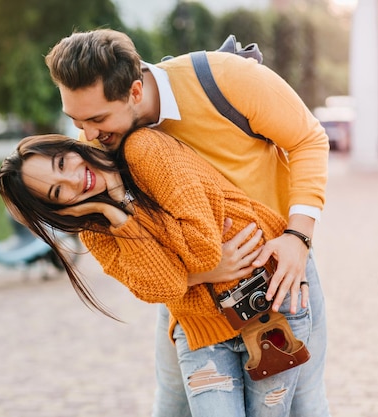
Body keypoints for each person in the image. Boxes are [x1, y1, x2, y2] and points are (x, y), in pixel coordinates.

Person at [44, 29, 329, 417]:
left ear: (135, 92)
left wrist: (298, 237)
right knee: (173, 407)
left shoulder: (224, 79)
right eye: (76, 120)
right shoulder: (99, 151)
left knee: (305, 406)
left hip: (277, 275)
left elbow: (308, 139)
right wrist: (199, 274)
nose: (88, 135)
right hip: (189, 298)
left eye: (97, 118)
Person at [0, 129, 320, 417]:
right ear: (58, 208)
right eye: (57, 192)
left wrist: (190, 273)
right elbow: (160, 289)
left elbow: (202, 250)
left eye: (62, 164)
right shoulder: (97, 232)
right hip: (202, 332)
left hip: (269, 308)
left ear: (66, 147)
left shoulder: (143, 151)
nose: (75, 180)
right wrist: (119, 212)